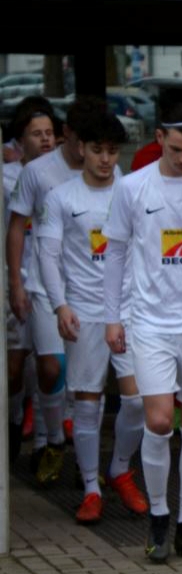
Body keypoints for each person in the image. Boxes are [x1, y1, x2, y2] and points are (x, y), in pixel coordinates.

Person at [103, 105, 182, 564]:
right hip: (150, 321)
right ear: (158, 138)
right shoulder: (132, 187)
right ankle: (159, 516)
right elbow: (115, 254)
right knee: (157, 420)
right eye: (176, 149)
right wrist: (112, 317)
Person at [37, 112, 148, 524]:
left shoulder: (132, 191)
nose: (105, 159)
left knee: (137, 401)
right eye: (97, 150)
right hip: (83, 311)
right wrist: (60, 305)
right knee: (87, 402)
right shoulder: (61, 198)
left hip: (130, 310)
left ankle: (119, 469)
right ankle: (90, 489)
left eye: (112, 151)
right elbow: (47, 254)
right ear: (81, 148)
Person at [7, 95, 109, 486]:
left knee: (89, 380)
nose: (91, 153)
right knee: (51, 368)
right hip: (43, 285)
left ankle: (88, 463)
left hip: (92, 288)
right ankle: (51, 441)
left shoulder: (110, 172)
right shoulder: (37, 172)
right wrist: (16, 282)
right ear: (69, 134)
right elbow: (16, 227)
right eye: (84, 142)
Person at [5, 99, 57, 456]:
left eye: (50, 133)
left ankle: (43, 441)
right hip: (15, 279)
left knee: (48, 365)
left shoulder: (63, 175)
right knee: (13, 368)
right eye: (37, 134)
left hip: (47, 283)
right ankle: (11, 423)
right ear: (20, 140)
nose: (46, 140)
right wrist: (13, 283)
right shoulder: (7, 176)